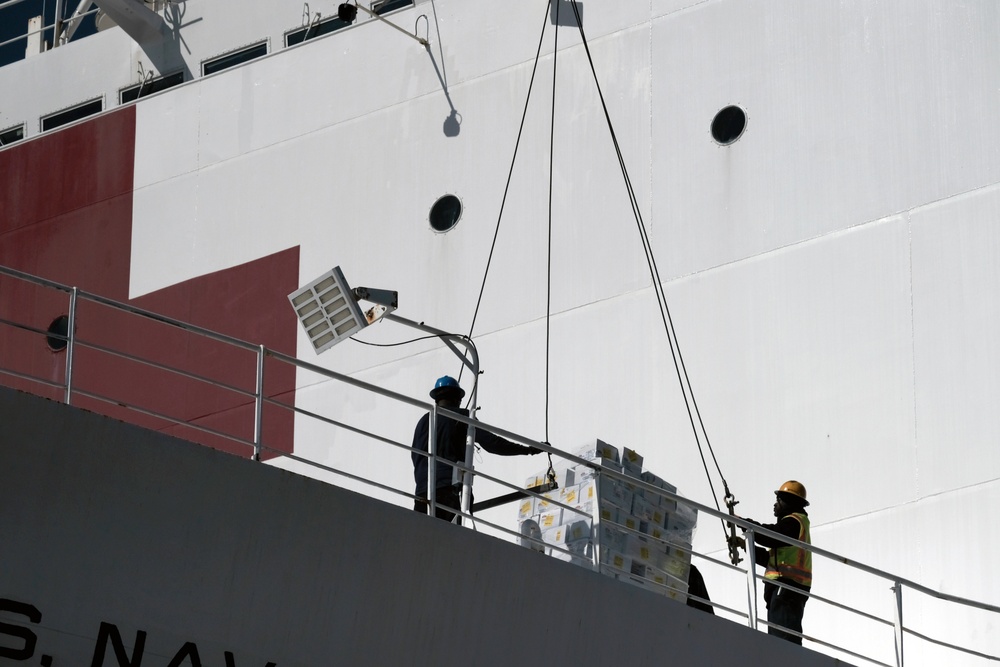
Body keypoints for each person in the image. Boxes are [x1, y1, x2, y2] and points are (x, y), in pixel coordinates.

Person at [411, 375, 541, 523]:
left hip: (422, 494)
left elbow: (415, 456)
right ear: (457, 398)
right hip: (449, 492)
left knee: (422, 538)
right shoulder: (462, 416)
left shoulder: (422, 422)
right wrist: (528, 449)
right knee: (453, 540)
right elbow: (493, 443)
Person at [738, 480, 812, 644]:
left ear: (791, 502)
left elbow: (769, 536)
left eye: (779, 500)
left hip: (787, 589)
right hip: (785, 590)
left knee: (783, 641)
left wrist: (744, 523)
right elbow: (769, 560)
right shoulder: (793, 526)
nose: (775, 504)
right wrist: (745, 545)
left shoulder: (793, 523)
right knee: (779, 640)